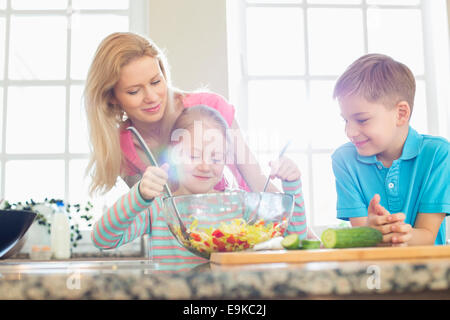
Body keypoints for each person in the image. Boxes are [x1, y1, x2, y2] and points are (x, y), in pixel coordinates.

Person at [91, 105, 310, 267]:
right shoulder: (158, 207)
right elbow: (102, 238)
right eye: (194, 155)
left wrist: (292, 185)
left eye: (216, 158)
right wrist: (138, 195)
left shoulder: (239, 205)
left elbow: (297, 238)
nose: (206, 166)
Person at [84, 32, 277, 198]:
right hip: (179, 238)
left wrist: (303, 235)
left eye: (155, 82)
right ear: (111, 97)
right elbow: (150, 212)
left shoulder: (211, 108)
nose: (151, 97)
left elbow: (258, 181)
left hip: (240, 228)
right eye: (134, 91)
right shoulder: (121, 148)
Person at [331, 53, 450, 246]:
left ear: (401, 114)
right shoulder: (344, 160)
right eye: (345, 120)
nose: (350, 131)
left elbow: (428, 235)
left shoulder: (438, 154)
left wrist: (400, 234)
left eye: (362, 120)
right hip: (372, 271)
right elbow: (362, 235)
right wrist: (371, 231)